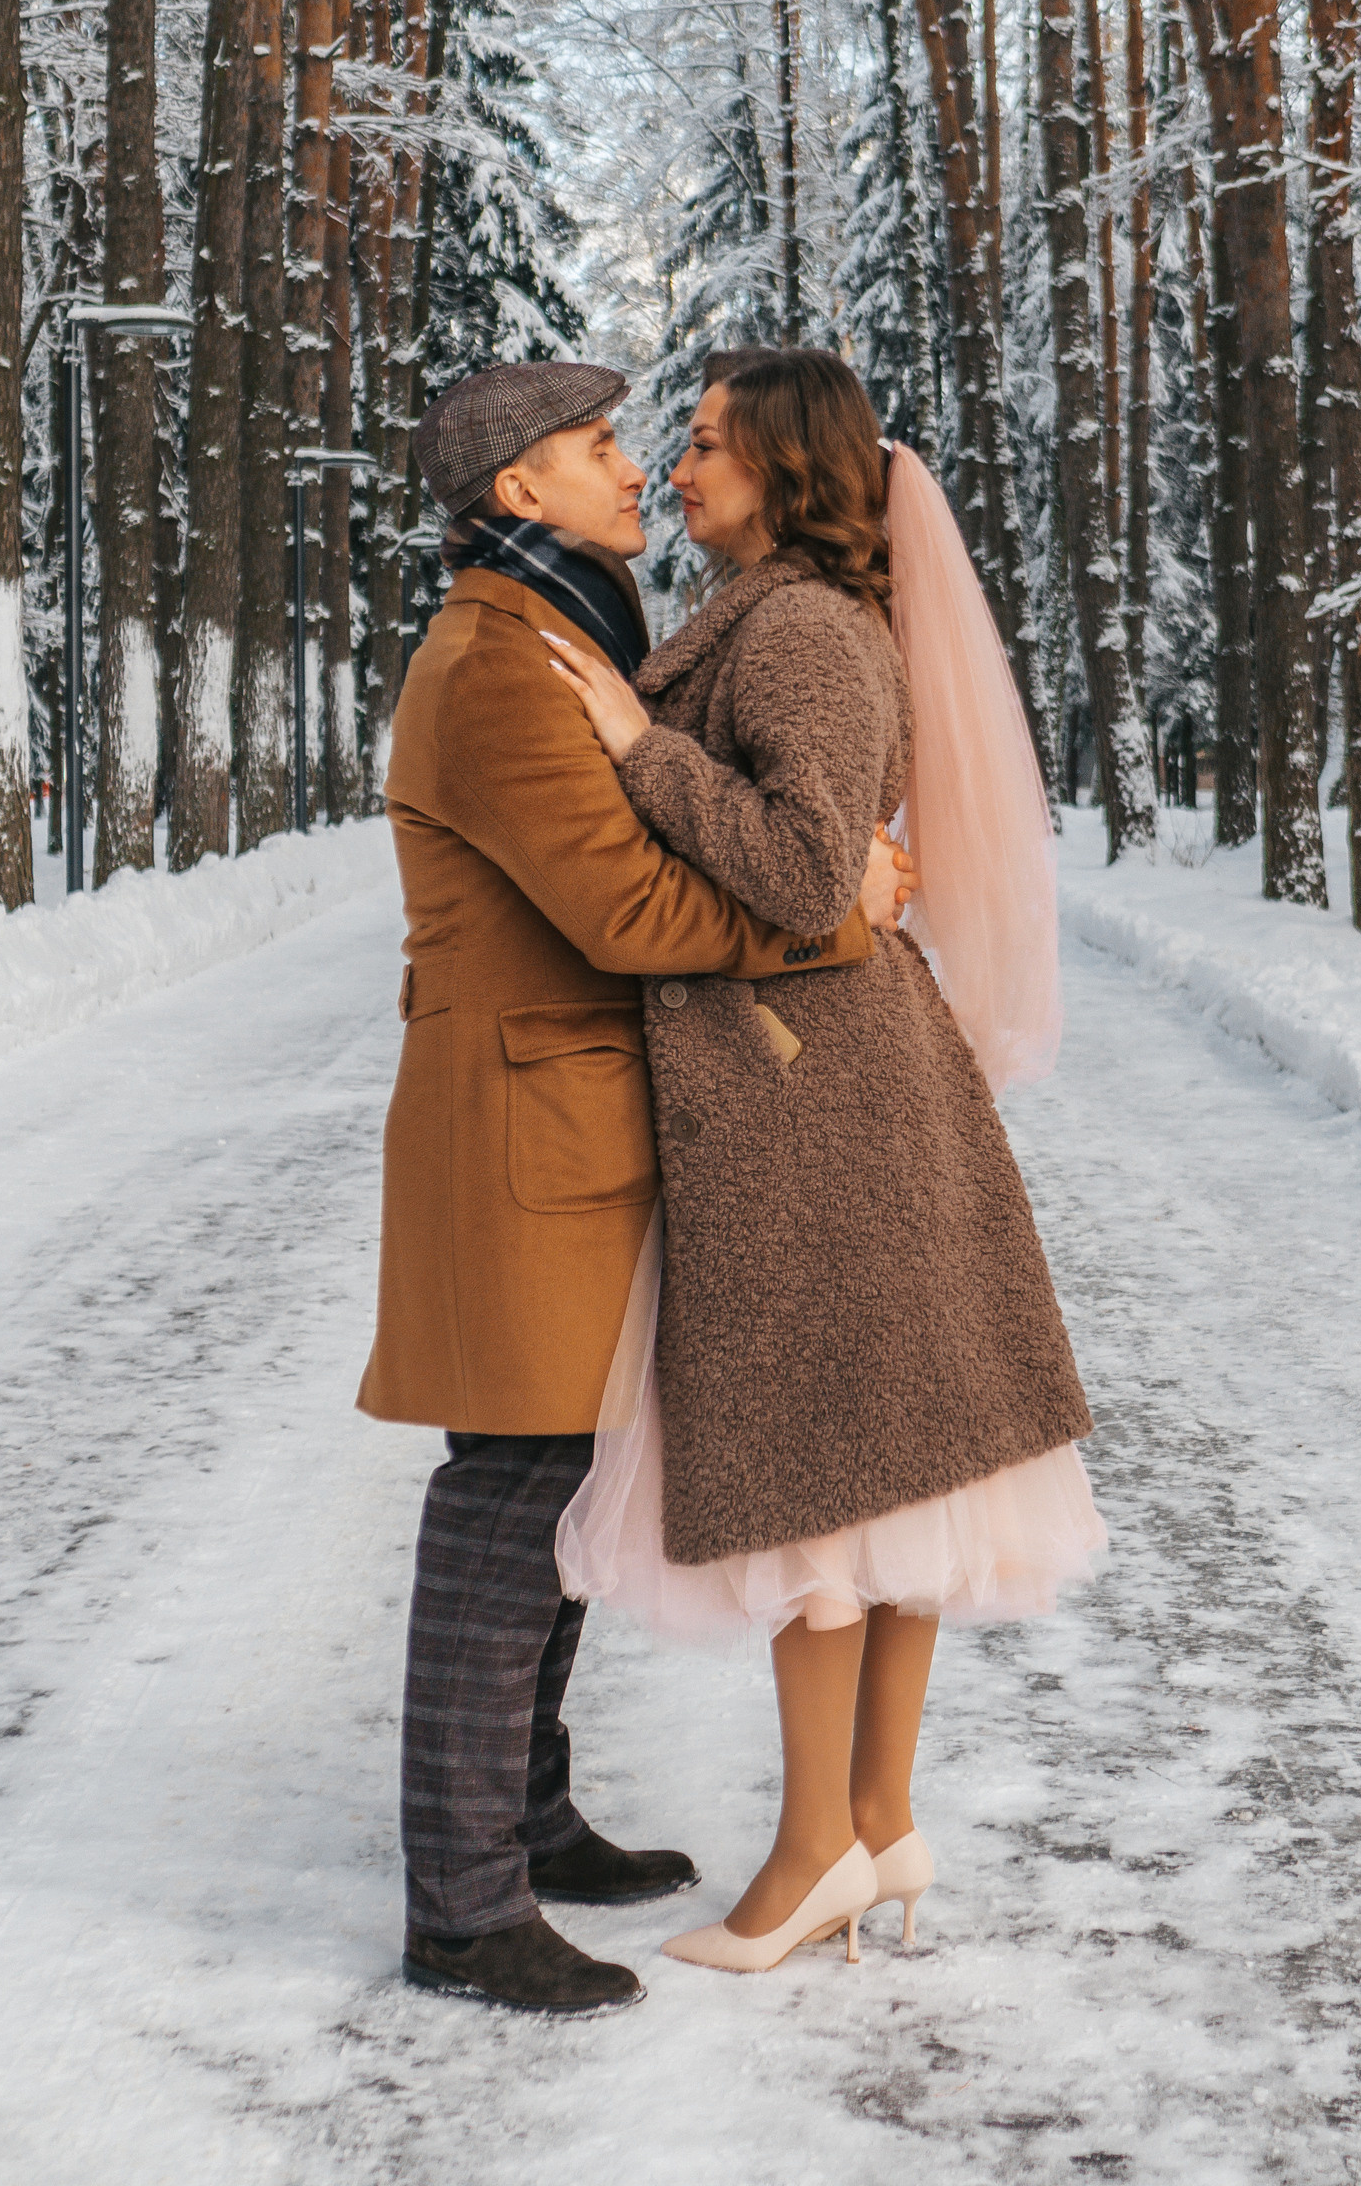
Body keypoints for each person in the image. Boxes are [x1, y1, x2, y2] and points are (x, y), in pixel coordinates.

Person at [355, 359, 914, 2016]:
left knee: (559, 1483)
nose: (631, 465)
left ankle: (522, 1820)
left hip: (574, 1127)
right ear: (518, 491)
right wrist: (837, 915)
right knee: (509, 1498)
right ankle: (462, 1905)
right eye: (598, 447)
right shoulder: (502, 661)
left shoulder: (569, 636)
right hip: (528, 1132)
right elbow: (626, 913)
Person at [548, 348, 1107, 1972]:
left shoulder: (791, 628)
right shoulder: (791, 618)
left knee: (825, 1488)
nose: (679, 463)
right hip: (836, 1083)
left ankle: (809, 1862)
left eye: (711, 442)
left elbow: (801, 873)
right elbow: (828, 858)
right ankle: (874, 1824)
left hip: (812, 1097)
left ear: (790, 471)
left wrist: (635, 747)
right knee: (888, 1474)